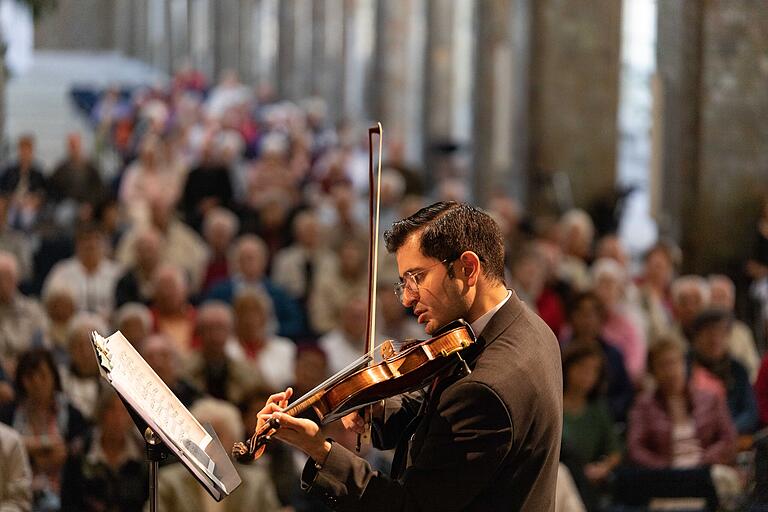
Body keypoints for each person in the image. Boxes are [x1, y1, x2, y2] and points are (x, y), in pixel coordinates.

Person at [254, 202, 563, 510]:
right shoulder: (529, 327)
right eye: (404, 282)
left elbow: (409, 507)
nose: (407, 297)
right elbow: (443, 410)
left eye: (418, 278)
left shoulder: (485, 389)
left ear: (467, 268)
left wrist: (318, 449)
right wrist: (377, 405)